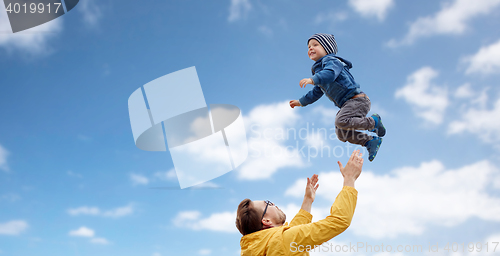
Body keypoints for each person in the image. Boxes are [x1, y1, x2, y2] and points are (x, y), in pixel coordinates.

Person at [236, 150, 363, 256]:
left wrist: (307, 201)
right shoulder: (283, 241)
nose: (273, 204)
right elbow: (339, 221)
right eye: (268, 203)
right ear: (266, 221)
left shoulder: (258, 247)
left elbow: (292, 233)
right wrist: (349, 179)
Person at [289, 33, 386, 161]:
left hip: (357, 100)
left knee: (341, 121)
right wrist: (301, 102)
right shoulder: (319, 72)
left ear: (327, 49)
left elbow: (330, 74)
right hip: (348, 104)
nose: (310, 48)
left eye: (315, 45)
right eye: (308, 47)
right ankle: (370, 141)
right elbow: (316, 92)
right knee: (341, 133)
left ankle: (374, 122)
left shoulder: (331, 61)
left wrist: (313, 79)